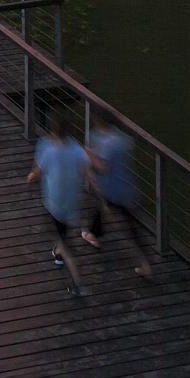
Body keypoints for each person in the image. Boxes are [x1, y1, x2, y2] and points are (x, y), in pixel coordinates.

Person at [27, 112, 88, 295]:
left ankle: (77, 283)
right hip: (72, 201)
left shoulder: (48, 148)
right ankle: (59, 252)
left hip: (54, 203)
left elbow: (36, 173)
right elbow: (86, 172)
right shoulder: (77, 149)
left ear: (53, 131)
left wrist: (30, 178)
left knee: (62, 239)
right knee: (63, 232)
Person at [84, 116, 153, 276]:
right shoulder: (123, 139)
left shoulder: (107, 144)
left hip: (112, 189)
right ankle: (146, 263)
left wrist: (90, 157)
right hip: (127, 187)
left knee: (104, 207)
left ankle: (93, 234)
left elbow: (103, 168)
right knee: (130, 225)